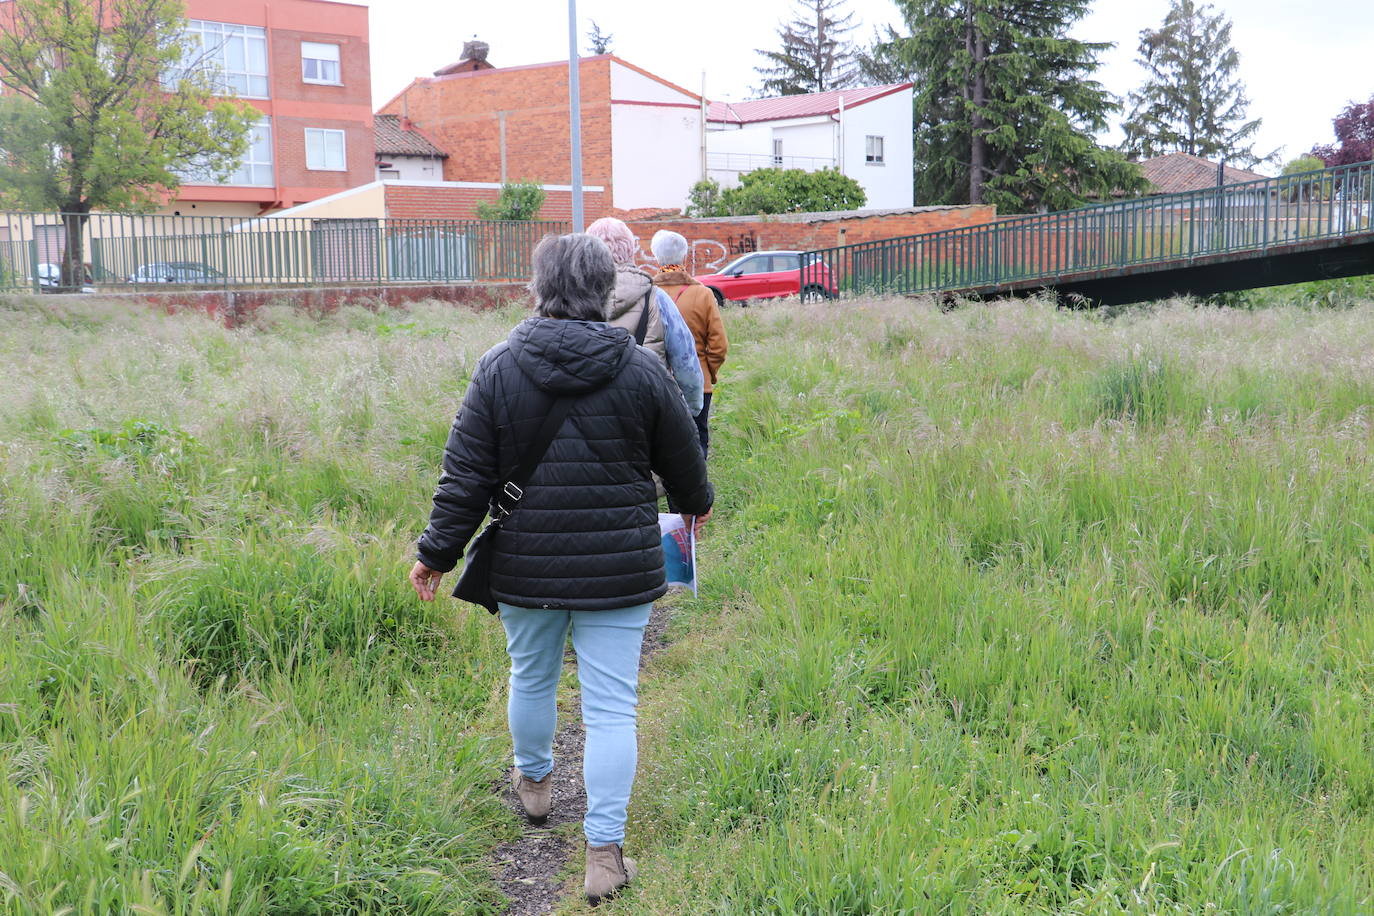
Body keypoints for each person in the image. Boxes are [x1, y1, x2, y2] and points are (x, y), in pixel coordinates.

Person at [408, 233, 713, 905]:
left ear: (538, 288)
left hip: (525, 565)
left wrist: (435, 554)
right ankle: (604, 854)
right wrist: (695, 509)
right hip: (620, 569)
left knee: (532, 676)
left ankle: (537, 786)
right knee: (612, 709)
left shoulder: (497, 367)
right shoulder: (640, 370)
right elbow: (687, 467)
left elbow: (465, 477)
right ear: (605, 289)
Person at [585, 217, 704, 416]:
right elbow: (686, 363)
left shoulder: (574, 300)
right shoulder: (657, 298)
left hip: (590, 416)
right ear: (631, 249)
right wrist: (691, 409)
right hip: (647, 413)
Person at [650, 230, 728, 457]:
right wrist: (707, 372)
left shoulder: (647, 294)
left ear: (656, 257)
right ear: (684, 257)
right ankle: (696, 489)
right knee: (697, 442)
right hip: (696, 384)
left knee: (659, 444)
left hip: (655, 381)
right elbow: (719, 345)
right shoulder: (703, 294)